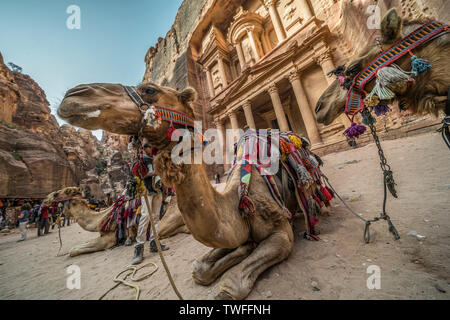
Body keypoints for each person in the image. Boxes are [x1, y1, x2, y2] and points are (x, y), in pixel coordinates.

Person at [131, 142, 169, 265]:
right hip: (147, 190)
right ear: (145, 148)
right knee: (145, 216)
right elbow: (140, 173)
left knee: (156, 217)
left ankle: (154, 243)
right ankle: (139, 247)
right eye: (149, 147)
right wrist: (157, 172)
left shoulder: (156, 158)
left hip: (157, 190)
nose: (151, 149)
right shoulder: (142, 159)